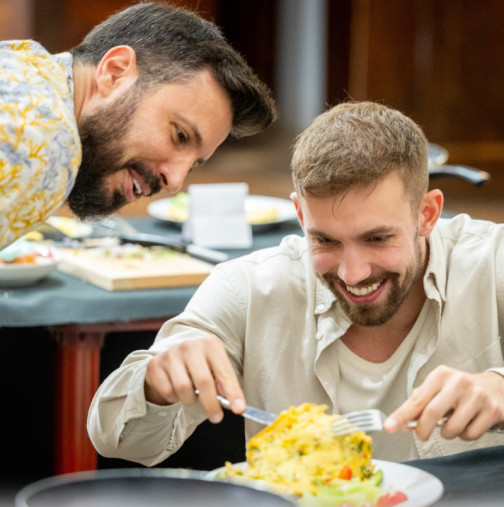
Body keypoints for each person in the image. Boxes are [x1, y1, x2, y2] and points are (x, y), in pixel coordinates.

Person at [88, 101, 504, 466]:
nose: (352, 273)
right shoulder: (248, 287)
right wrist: (155, 386)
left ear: (427, 215)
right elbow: (115, 440)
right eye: (325, 240)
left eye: (377, 239)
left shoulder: (491, 260)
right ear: (301, 216)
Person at [0, 1, 276, 249]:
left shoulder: (22, 63)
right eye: (180, 135)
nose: (175, 182)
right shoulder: (46, 141)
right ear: (115, 72)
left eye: (193, 165)